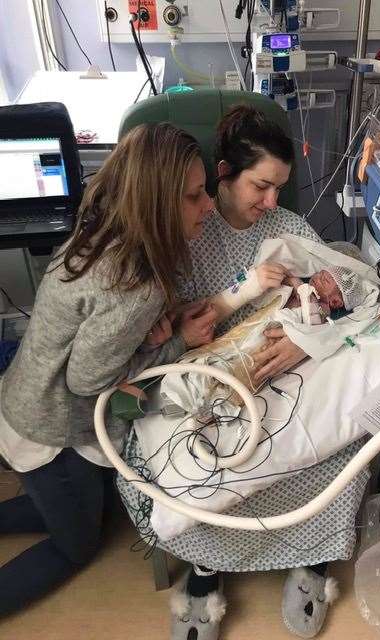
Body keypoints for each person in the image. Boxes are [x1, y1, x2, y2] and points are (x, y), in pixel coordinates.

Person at [118, 106, 370, 640]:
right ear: (223, 173)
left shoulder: (288, 228)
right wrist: (240, 292)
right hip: (209, 375)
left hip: (292, 368)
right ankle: (207, 571)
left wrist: (306, 341)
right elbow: (164, 321)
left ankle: (314, 560)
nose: (271, 202)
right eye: (261, 186)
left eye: (280, 188)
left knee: (346, 432)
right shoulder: (185, 234)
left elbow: (345, 296)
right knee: (210, 455)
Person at [0, 122, 218, 616]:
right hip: (49, 429)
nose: (208, 206)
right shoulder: (138, 286)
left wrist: (161, 324)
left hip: (21, 394)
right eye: (195, 196)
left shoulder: (100, 233)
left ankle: (49, 504)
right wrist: (177, 342)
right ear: (156, 206)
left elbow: (97, 323)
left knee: (58, 502)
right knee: (77, 544)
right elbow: (89, 381)